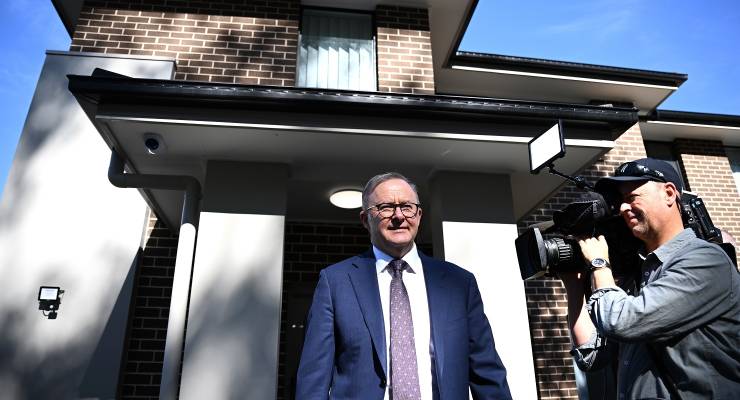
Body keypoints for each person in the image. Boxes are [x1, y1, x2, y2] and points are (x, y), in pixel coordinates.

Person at [296, 172, 512, 400]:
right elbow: (313, 380)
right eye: (386, 207)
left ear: (419, 215)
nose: (399, 216)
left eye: (407, 207)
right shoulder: (335, 282)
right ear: (365, 219)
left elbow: (486, 372)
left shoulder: (459, 283)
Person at [561, 158, 740, 399]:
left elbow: (621, 322)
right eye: (620, 202)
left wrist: (600, 264)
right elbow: (593, 356)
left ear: (669, 193)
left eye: (631, 197)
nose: (623, 208)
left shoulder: (705, 260)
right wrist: (573, 284)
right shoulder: (641, 272)